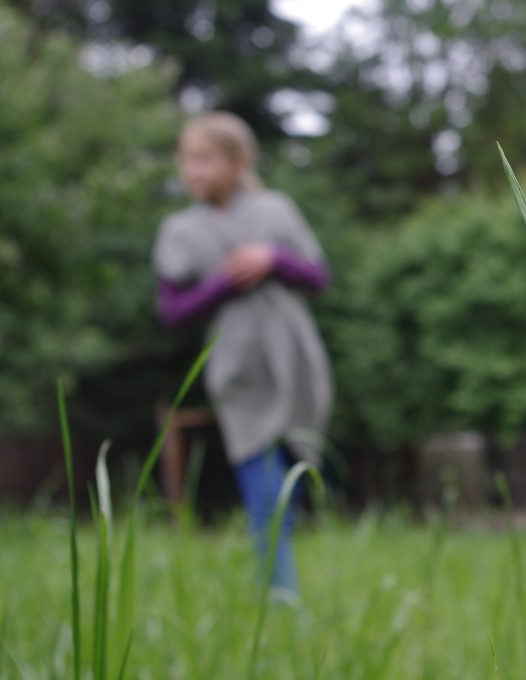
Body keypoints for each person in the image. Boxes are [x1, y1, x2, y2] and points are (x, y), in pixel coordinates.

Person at [152, 111, 333, 596]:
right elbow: (171, 311)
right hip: (236, 369)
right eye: (186, 159)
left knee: (290, 473)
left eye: (204, 159)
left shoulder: (275, 210)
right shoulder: (180, 230)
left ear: (238, 162)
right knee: (261, 476)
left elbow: (318, 276)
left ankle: (275, 571)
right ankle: (281, 594)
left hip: (293, 360)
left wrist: (274, 259)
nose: (192, 170)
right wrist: (224, 282)